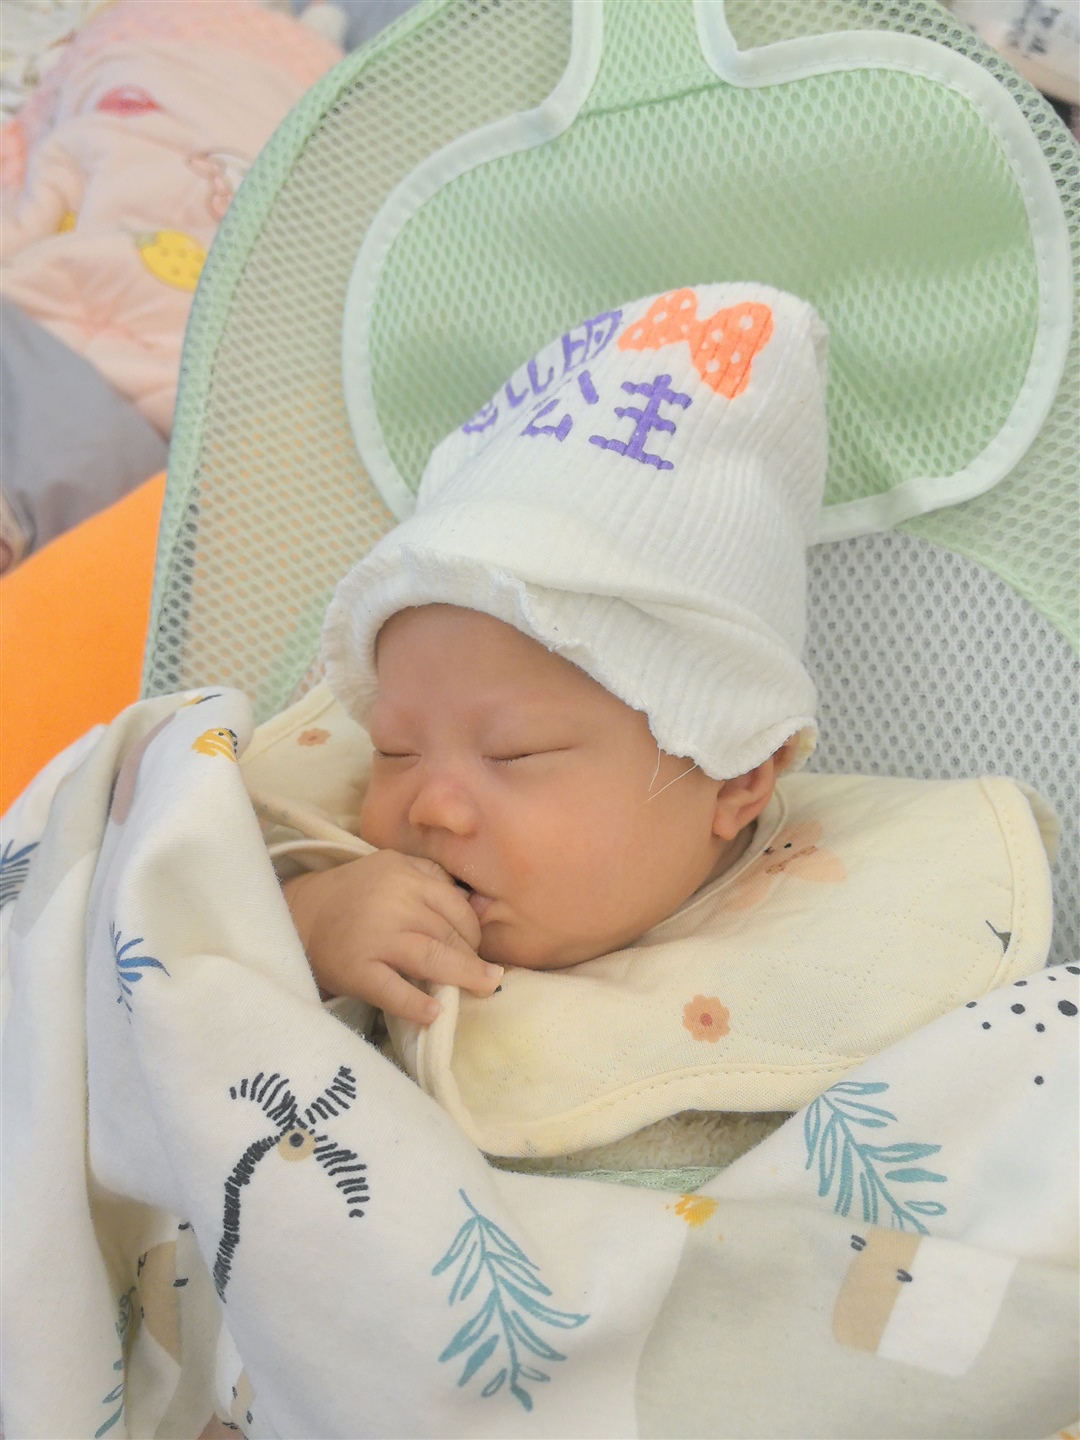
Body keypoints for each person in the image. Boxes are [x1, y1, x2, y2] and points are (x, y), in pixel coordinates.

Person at [279, 282, 1054, 1168]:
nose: (431, 806)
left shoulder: (879, 921)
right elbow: (183, 945)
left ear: (734, 774)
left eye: (513, 752)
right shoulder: (325, 873)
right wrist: (304, 932)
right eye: (395, 749)